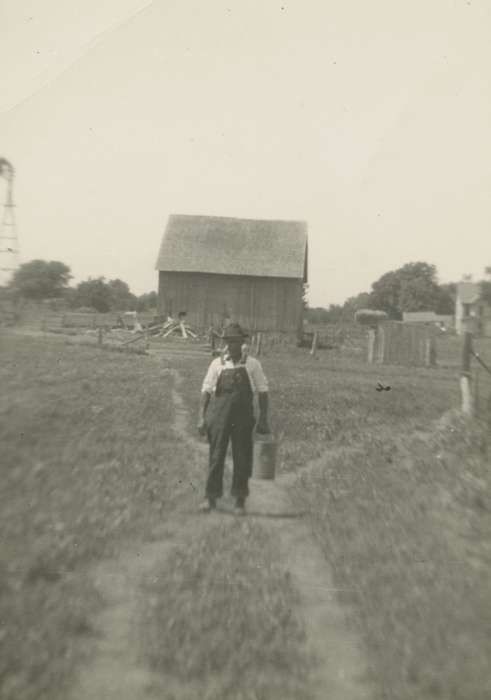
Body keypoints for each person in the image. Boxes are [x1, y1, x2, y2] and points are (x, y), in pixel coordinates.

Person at [197, 322, 270, 515]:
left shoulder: (252, 364)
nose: (232, 345)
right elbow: (206, 390)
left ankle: (239, 500)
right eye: (228, 341)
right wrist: (201, 418)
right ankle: (210, 498)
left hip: (243, 417)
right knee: (216, 455)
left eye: (236, 341)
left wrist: (263, 419)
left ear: (242, 342)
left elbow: (263, 391)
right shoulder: (217, 364)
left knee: (242, 457)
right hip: (219, 416)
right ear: (225, 343)